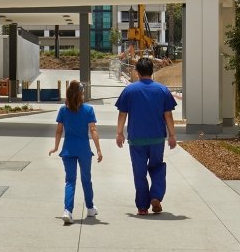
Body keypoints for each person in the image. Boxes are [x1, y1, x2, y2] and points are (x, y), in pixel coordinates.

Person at [114, 57, 176, 215]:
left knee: (139, 173)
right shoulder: (162, 90)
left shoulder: (130, 90)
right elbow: (168, 115)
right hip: (156, 138)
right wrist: (172, 135)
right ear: (152, 71)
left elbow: (123, 114)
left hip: (136, 139)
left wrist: (119, 133)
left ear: (137, 72)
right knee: (157, 168)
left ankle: (142, 206)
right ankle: (155, 196)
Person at [49, 80, 103, 224]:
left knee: (70, 181)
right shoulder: (88, 110)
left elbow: (59, 131)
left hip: (68, 150)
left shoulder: (63, 110)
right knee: (86, 179)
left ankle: (67, 211)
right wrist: (98, 149)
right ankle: (90, 208)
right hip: (84, 150)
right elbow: (93, 130)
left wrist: (55, 147)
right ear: (81, 94)